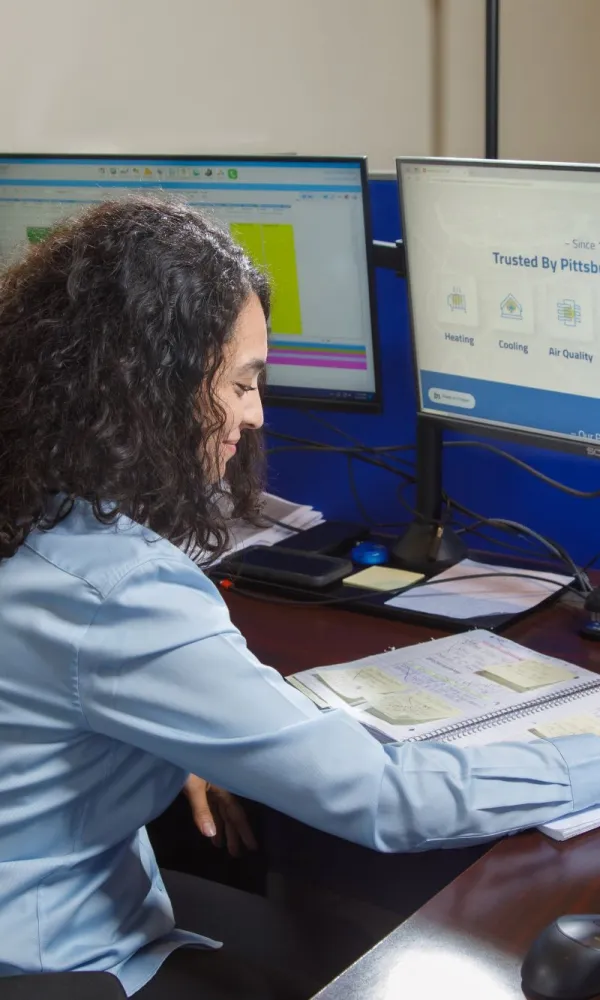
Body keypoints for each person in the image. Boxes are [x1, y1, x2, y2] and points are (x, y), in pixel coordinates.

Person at [0, 197, 598, 999]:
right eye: (242, 382)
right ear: (148, 387)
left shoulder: (30, 508)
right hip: (65, 958)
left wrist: (158, 729)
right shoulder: (117, 591)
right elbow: (390, 801)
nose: (254, 415)